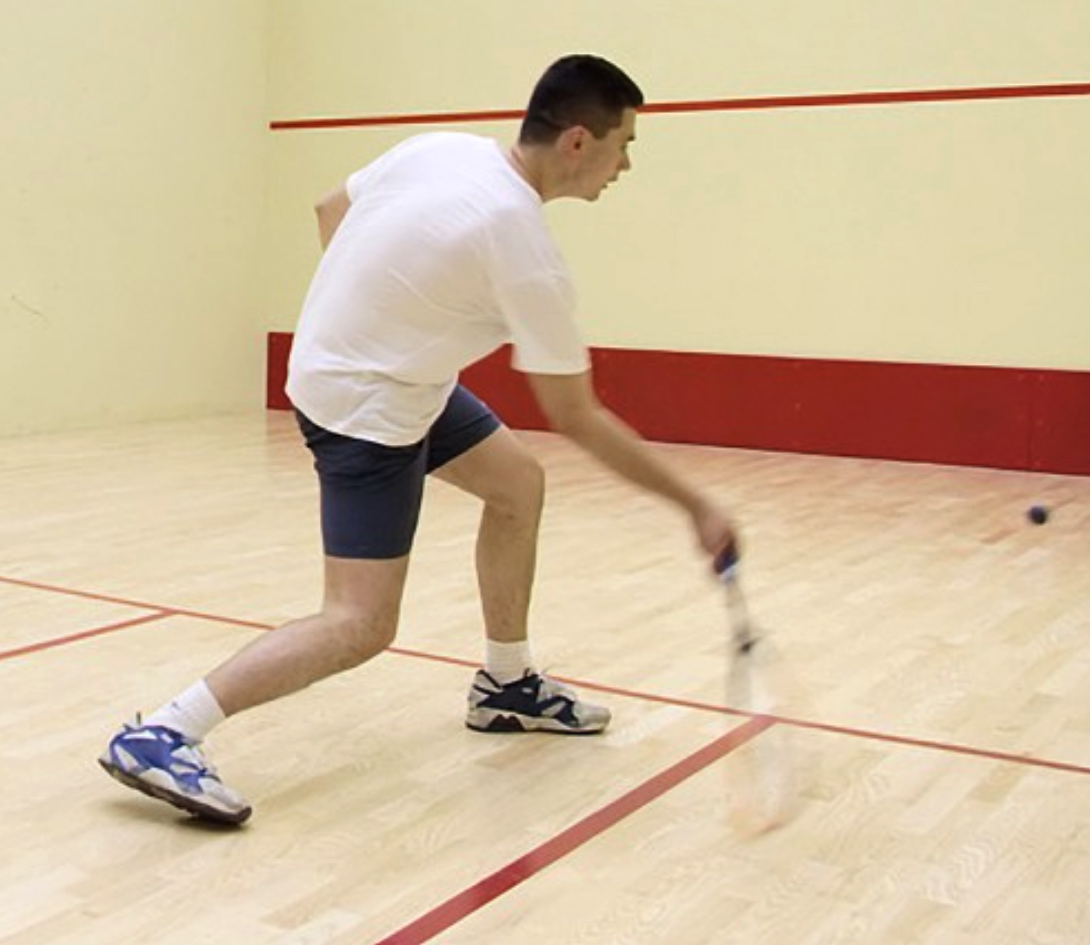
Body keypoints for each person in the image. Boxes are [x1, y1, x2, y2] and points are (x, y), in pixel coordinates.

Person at [100, 54, 738, 824]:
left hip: (372, 373)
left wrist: (369, 318)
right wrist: (695, 505)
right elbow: (577, 416)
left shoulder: (443, 148)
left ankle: (506, 685)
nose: (625, 165)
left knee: (517, 483)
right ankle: (166, 731)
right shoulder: (523, 250)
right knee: (359, 623)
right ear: (577, 141)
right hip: (365, 408)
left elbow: (328, 209)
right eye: (623, 144)